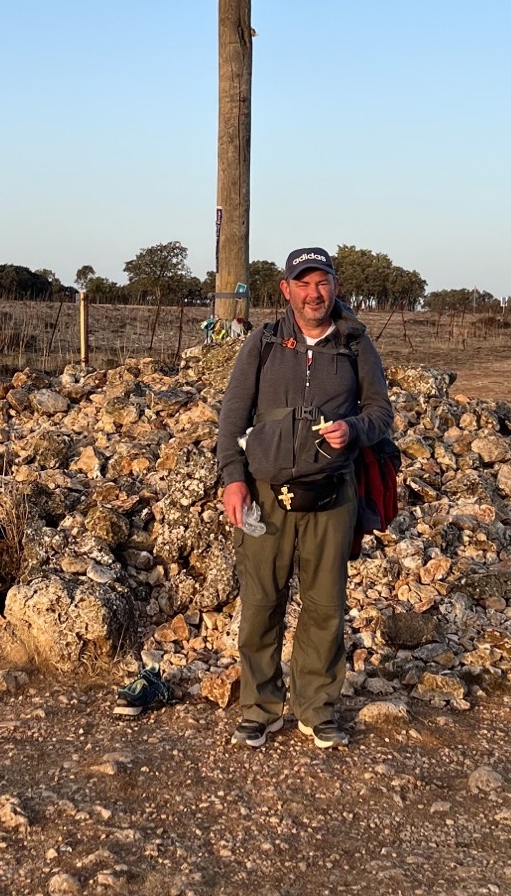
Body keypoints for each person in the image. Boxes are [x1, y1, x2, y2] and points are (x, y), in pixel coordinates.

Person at [216, 247, 394, 749]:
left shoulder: (357, 344)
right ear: (286, 290)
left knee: (324, 606)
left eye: (323, 283)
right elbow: (232, 417)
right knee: (261, 604)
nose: (314, 293)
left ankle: (317, 709)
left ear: (336, 287)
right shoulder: (264, 342)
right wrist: (233, 479)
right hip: (265, 494)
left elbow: (382, 414)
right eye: (304, 283)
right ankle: (261, 708)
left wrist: (354, 429)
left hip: (333, 494)